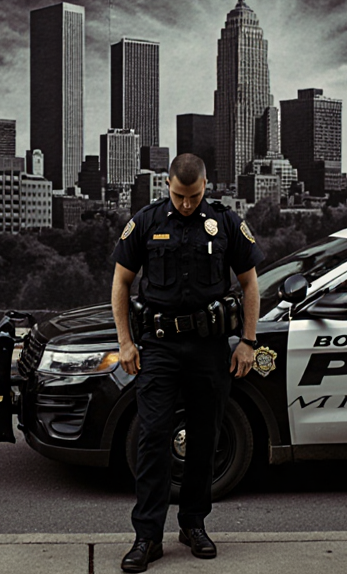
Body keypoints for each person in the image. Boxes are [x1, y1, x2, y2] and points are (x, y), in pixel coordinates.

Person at [110, 153, 264, 573]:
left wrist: (247, 341)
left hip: (209, 347)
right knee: (153, 438)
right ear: (167, 183)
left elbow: (250, 284)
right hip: (158, 346)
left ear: (206, 185)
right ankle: (147, 536)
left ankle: (193, 525)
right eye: (179, 196)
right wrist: (125, 341)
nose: (186, 204)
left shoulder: (225, 221)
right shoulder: (146, 221)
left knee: (203, 440)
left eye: (193, 196)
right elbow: (121, 282)